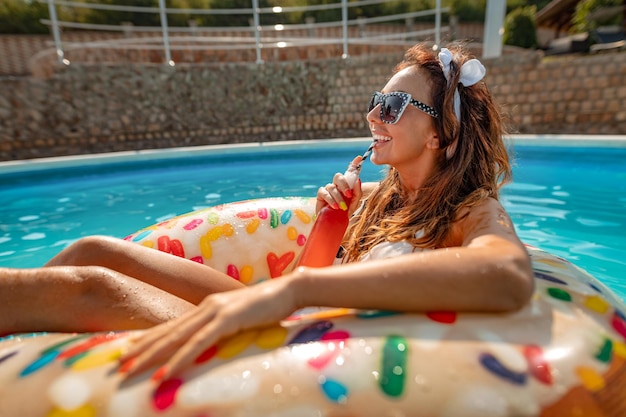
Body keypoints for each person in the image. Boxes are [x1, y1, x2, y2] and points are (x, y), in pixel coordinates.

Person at [114, 43, 535, 380]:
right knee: (97, 252)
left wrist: (300, 290)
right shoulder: (373, 197)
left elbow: (509, 276)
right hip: (298, 320)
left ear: (440, 134)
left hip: (305, 348)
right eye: (376, 101)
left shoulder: (469, 210)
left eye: (393, 106)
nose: (372, 115)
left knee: (94, 287)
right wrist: (328, 225)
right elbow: (306, 283)